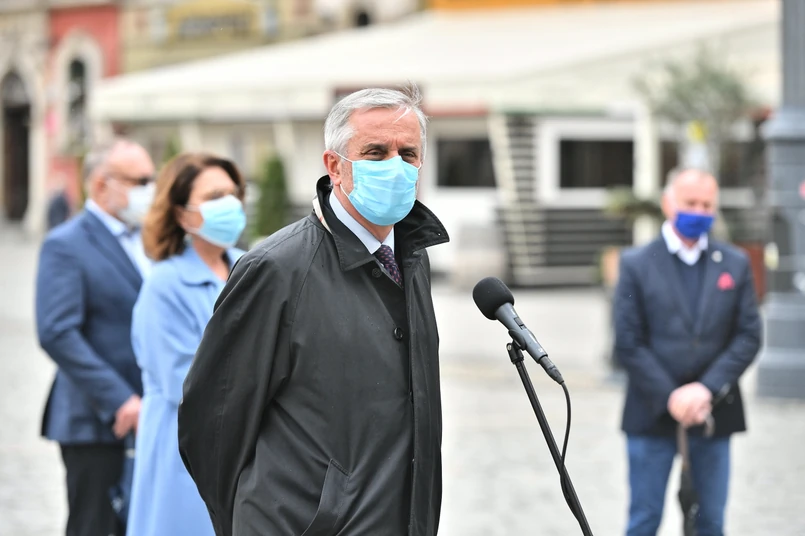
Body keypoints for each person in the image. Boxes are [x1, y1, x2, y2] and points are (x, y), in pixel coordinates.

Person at [178, 85, 449, 536]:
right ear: (334, 166)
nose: (395, 166)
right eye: (375, 152)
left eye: (408, 154)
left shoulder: (412, 258)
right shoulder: (277, 268)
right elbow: (214, 420)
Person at [614, 168, 762, 536]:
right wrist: (672, 396)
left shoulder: (735, 263)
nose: (699, 211)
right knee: (644, 520)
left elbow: (748, 336)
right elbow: (627, 341)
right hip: (650, 414)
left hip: (713, 413)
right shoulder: (636, 263)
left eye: (707, 205)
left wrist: (705, 389)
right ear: (669, 203)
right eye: (690, 203)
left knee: (710, 522)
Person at [35, 138, 156, 536]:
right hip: (96, 420)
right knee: (95, 526)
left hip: (151, 414)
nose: (151, 189)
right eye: (141, 181)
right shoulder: (66, 244)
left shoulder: (149, 240)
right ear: (102, 184)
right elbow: (57, 331)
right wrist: (119, 398)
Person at [126, 152, 247, 536]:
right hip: (183, 450)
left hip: (245, 448)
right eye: (214, 197)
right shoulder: (164, 285)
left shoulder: (252, 268)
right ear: (181, 214)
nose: (229, 204)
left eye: (232, 193)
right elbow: (184, 384)